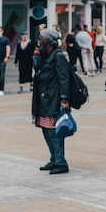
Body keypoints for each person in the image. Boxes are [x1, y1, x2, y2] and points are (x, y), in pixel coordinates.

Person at [33, 27, 72, 175]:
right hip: (44, 99)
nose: (39, 42)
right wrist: (36, 57)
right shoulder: (45, 55)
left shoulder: (58, 56)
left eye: (41, 39)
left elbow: (64, 78)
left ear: (48, 41)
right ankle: (54, 159)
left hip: (53, 99)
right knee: (45, 129)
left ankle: (61, 162)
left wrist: (64, 99)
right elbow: (37, 70)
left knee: (54, 132)